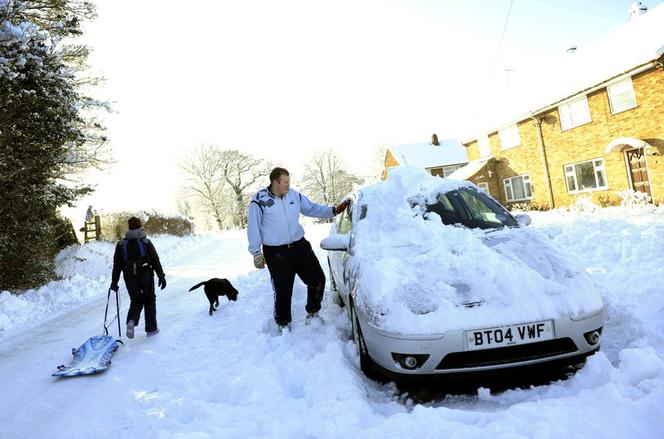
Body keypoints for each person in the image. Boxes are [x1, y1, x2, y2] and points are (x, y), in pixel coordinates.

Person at [247, 167, 349, 330]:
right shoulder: (259, 200)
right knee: (283, 288)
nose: (288, 185)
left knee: (317, 278)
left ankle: (313, 312)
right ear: (275, 182)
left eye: (289, 181)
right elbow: (254, 226)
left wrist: (333, 211)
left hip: (298, 245)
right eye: (285, 182)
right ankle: (283, 322)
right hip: (276, 251)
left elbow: (312, 208)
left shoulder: (293, 195)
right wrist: (256, 252)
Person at [110, 217, 166, 338]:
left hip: (130, 278)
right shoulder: (146, 242)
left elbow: (117, 265)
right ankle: (151, 329)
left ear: (129, 228)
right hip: (146, 275)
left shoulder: (121, 245)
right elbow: (155, 260)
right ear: (140, 227)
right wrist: (161, 276)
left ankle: (131, 321)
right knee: (149, 300)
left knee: (136, 300)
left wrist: (114, 282)